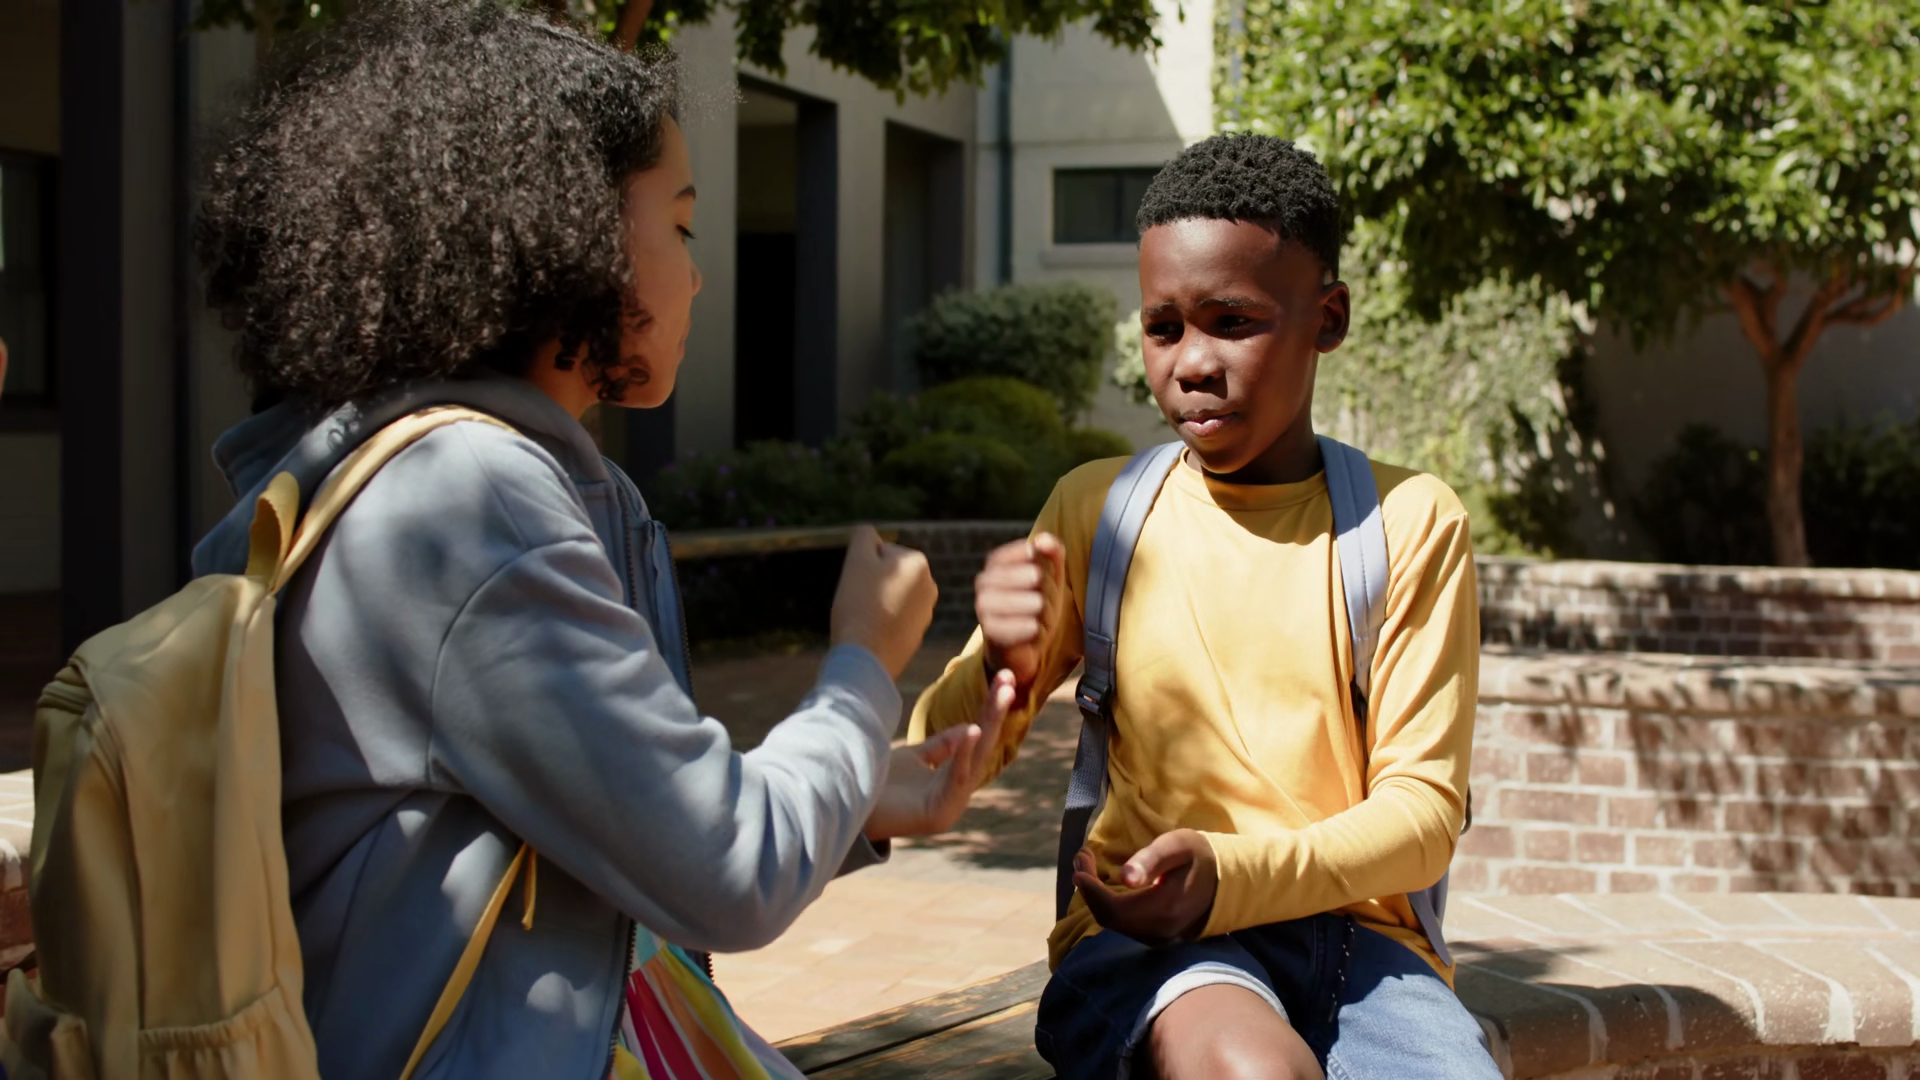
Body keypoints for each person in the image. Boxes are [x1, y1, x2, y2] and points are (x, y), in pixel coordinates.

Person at [187, 3, 1014, 1077]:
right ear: (568, 238)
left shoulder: (425, 478)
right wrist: (862, 661)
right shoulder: (467, 502)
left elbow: (609, 822)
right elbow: (730, 869)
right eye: (680, 226)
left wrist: (860, 790)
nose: (697, 274)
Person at [910, 134, 1496, 1080]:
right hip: (1148, 945)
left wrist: (1231, 877)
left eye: (1232, 322)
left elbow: (1424, 813)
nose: (1191, 363)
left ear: (1328, 318)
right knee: (1248, 1070)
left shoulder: (1407, 521)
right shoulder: (1099, 512)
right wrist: (998, 668)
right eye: (1163, 327)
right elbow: (936, 762)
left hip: (1361, 953)